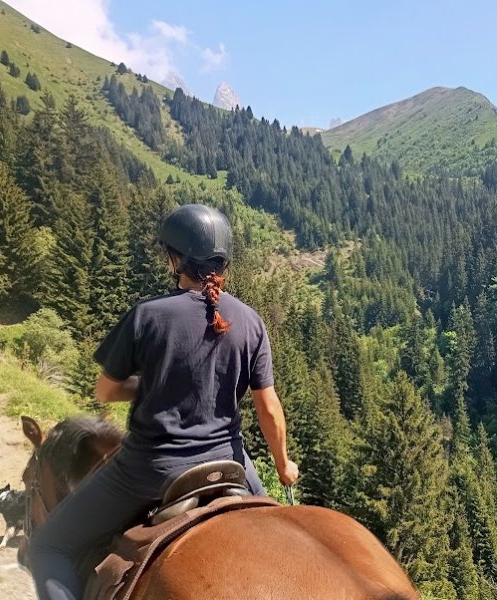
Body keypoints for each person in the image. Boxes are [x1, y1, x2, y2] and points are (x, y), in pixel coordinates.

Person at [28, 204, 299, 600]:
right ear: (223, 260)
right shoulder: (251, 321)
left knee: (48, 546)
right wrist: (283, 464)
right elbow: (268, 408)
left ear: (175, 259)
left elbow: (105, 391)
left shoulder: (147, 316)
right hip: (231, 464)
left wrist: (150, 385)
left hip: (147, 470)